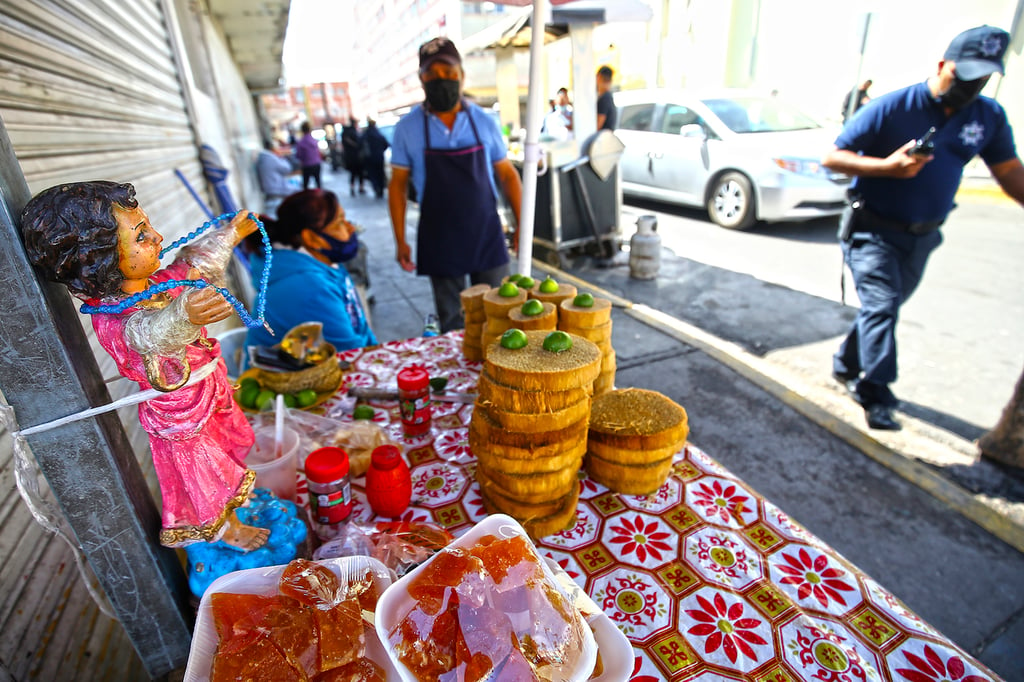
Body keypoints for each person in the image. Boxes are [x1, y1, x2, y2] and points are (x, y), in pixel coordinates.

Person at [20, 181, 269, 550]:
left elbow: (194, 265)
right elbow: (147, 334)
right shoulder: (114, 317)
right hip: (182, 417)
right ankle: (224, 530)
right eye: (140, 236)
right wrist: (183, 315)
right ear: (99, 258)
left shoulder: (157, 283)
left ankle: (236, 507)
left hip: (208, 393)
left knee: (226, 457)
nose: (157, 237)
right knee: (205, 475)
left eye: (148, 227)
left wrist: (229, 234)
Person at [822, 25, 1024, 430]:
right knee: (882, 306)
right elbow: (833, 157)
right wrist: (886, 168)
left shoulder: (988, 116)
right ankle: (875, 392)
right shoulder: (894, 106)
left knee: (886, 309)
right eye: (963, 75)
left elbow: (1009, 171)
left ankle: (845, 364)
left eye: (981, 78)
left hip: (922, 237)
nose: (970, 86)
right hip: (872, 231)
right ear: (942, 65)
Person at [388, 36, 523, 333]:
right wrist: (400, 240)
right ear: (421, 79)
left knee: (499, 315)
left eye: (448, 73)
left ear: (461, 75)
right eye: (432, 75)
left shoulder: (484, 121)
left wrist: (522, 225)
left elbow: (508, 175)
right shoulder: (407, 128)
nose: (441, 81)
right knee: (452, 320)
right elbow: (397, 186)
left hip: (485, 232)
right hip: (439, 235)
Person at [245, 189, 377, 353]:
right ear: (311, 238)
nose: (351, 228)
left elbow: (360, 326)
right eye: (340, 223)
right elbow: (350, 353)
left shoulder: (323, 262)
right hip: (291, 377)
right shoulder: (308, 287)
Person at [256, 137, 297, 215]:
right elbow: (287, 169)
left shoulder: (264, 157)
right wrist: (281, 157)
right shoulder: (271, 158)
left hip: (270, 187)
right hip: (275, 188)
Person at [363, 117, 390, 199]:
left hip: (369, 158)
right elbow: (386, 144)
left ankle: (376, 188)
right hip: (379, 157)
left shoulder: (365, 134)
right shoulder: (378, 134)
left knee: (373, 174)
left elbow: (360, 144)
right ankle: (381, 189)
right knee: (380, 174)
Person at [341, 117, 367, 196]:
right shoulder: (354, 132)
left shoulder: (345, 133)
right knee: (360, 173)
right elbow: (359, 144)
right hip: (357, 157)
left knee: (352, 174)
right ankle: (360, 188)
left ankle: (352, 188)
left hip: (349, 157)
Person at [295, 121, 323, 189]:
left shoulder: (301, 142)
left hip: (306, 166)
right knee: (318, 183)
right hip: (316, 164)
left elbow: (299, 155)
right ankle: (320, 196)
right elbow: (318, 153)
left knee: (306, 185)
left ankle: (307, 198)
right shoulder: (314, 140)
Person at [596, 65, 617, 131]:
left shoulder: (605, 99)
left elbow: (597, 126)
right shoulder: (608, 97)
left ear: (599, 77)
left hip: (602, 139)